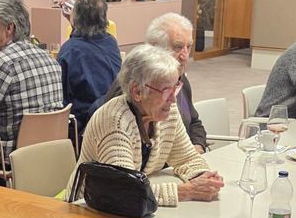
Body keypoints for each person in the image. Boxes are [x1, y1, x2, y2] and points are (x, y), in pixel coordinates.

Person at [72, 46, 223, 207]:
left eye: (176, 88)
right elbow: (126, 191)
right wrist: (187, 191)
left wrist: (204, 177)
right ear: (137, 91)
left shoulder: (167, 112)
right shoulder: (114, 122)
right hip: (89, 210)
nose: (173, 99)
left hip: (134, 211)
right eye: (166, 90)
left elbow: (186, 158)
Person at [0, 0, 62, 167]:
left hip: (7, 158)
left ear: (9, 28)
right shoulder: (50, 59)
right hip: (47, 155)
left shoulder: (1, 64)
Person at [56, 0, 121, 135]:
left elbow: (61, 97)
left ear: (77, 17)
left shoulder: (70, 50)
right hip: (113, 119)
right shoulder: (111, 42)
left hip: (82, 127)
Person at [145, 12, 208, 151]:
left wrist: (197, 146)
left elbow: (194, 123)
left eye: (189, 46)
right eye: (178, 47)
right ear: (155, 48)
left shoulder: (180, 80)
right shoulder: (140, 87)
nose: (185, 56)